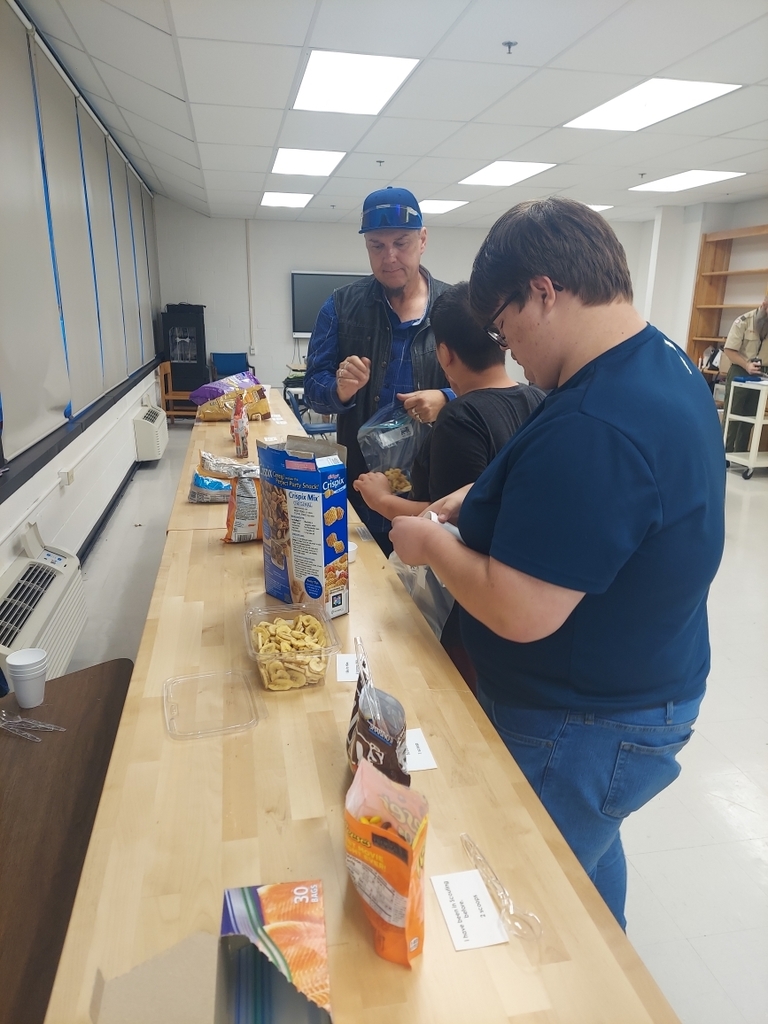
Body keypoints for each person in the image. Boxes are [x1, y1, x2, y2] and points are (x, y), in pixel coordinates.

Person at [389, 198, 726, 929]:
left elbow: (521, 609)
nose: (509, 352)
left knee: (530, 901)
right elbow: (613, 504)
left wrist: (429, 541)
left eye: (507, 329)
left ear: (544, 291)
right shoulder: (655, 364)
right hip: (641, 687)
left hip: (584, 720)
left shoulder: (598, 422)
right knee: (585, 863)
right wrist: (489, 492)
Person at [304, 187, 451, 552]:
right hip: (358, 484)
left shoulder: (456, 308)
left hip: (431, 486)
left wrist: (446, 397)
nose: (389, 258)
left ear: (423, 239)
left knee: (422, 597)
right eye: (376, 246)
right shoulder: (340, 306)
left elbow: (489, 391)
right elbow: (312, 386)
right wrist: (340, 390)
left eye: (401, 243)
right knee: (361, 584)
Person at [722, 293, 767, 453]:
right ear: (764, 305)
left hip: (762, 376)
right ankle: (725, 452)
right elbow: (729, 349)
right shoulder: (744, 321)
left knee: (750, 417)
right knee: (732, 415)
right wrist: (747, 365)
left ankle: (741, 453)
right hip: (740, 370)